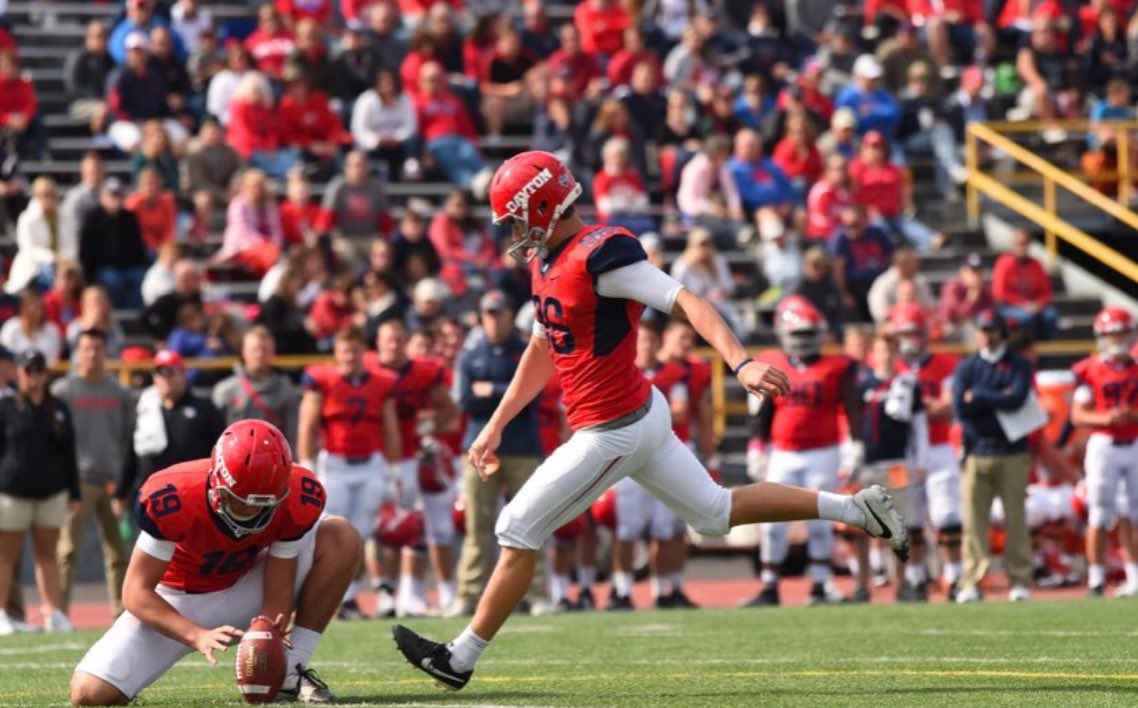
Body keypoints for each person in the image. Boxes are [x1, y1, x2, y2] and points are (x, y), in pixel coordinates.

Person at [392, 151, 909, 690]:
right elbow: (543, 347)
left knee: (517, 527)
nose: (514, 231)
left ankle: (459, 659)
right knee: (713, 512)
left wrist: (742, 361)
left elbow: (687, 301)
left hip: (614, 428)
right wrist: (497, 422)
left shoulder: (602, 257)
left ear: (541, 206)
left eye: (517, 217)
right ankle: (855, 509)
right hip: (638, 414)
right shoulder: (547, 261)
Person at [69, 420, 357, 705]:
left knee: (339, 536)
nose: (253, 514)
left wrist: (269, 643)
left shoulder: (297, 496)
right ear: (217, 481)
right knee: (88, 694)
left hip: (245, 584)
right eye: (241, 503)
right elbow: (135, 592)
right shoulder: (174, 494)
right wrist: (196, 635)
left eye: (263, 505)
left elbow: (279, 586)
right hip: (174, 601)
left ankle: (291, 672)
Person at [745, 296, 864, 606]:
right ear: (785, 334)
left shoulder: (837, 366)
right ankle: (770, 586)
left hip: (824, 451)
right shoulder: (775, 364)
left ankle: (821, 586)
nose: (804, 341)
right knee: (771, 523)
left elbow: (852, 408)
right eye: (798, 334)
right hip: (783, 453)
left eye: (809, 334)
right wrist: (757, 446)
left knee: (820, 521)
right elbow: (764, 412)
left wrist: (856, 444)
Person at [295, 326, 399, 622]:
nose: (350, 357)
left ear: (363, 355)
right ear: (337, 354)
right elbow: (307, 423)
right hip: (336, 465)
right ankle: (325, 596)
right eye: (345, 351)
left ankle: (349, 597)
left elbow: (389, 427)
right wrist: (307, 464)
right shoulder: (323, 380)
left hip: (371, 464)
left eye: (355, 351)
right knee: (332, 531)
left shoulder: (381, 382)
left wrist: (393, 468)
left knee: (362, 534)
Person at [453, 291, 544, 617]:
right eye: (488, 314)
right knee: (477, 525)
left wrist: (490, 389)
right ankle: (468, 594)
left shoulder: (526, 352)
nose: (493, 319)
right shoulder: (470, 355)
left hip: (521, 448)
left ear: (509, 315)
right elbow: (465, 400)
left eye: (499, 313)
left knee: (533, 522)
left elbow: (531, 396)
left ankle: (536, 594)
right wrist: (508, 392)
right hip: (481, 449)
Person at [369, 319, 460, 617]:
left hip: (413, 457)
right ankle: (386, 591)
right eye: (388, 340)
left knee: (432, 529)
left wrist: (428, 429)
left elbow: (450, 416)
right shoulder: (367, 371)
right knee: (383, 528)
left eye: (398, 339)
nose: (393, 346)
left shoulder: (423, 373)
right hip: (376, 459)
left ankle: (439, 593)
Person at [952, 309, 1035, 603]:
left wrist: (982, 397)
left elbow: (1018, 398)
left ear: (1001, 332)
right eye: (982, 329)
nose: (986, 335)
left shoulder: (1018, 364)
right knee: (974, 522)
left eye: (991, 330)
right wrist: (997, 401)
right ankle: (973, 579)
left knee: (1016, 519)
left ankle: (1020, 578)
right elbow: (962, 410)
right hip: (977, 450)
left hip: (1012, 451)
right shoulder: (967, 368)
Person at [51, 329, 133, 617]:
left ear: (106, 352)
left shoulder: (119, 393)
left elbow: (128, 440)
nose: (93, 354)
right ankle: (59, 613)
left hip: (112, 482)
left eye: (98, 348)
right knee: (67, 550)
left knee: (119, 553)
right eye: (87, 348)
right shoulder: (63, 391)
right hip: (79, 482)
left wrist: (124, 486)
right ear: (77, 351)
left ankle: (121, 613)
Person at [0, 350, 78, 635]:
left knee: (48, 555)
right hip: (12, 491)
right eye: (27, 370)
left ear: (46, 373)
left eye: (38, 370)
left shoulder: (57, 407)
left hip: (52, 491)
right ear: (18, 372)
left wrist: (75, 493)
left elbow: (69, 452)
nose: (33, 376)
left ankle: (53, 613)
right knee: (5, 556)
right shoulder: (6, 406)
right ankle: (1, 614)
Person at [891, 304, 965, 598]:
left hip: (938, 446)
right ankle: (915, 577)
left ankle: (955, 576)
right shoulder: (889, 365)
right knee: (908, 518)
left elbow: (948, 406)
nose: (909, 339)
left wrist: (915, 410)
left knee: (946, 515)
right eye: (904, 333)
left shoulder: (946, 364)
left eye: (914, 332)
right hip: (902, 451)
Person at [855, 332, 930, 601]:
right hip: (867, 462)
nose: (885, 356)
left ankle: (902, 583)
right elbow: (850, 422)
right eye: (881, 350)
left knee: (901, 526)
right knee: (860, 526)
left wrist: (921, 461)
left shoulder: (907, 384)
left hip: (898, 462)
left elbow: (919, 426)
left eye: (890, 351)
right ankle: (861, 584)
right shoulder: (861, 384)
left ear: (898, 354)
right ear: (872, 354)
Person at [1071, 308, 1138, 597]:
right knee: (1099, 511)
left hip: (1134, 442)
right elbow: (1078, 415)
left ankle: (1134, 575)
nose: (1117, 339)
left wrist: (1132, 416)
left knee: (1134, 513)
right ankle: (1096, 578)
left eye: (1121, 333)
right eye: (1112, 334)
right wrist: (1107, 418)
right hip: (1104, 444)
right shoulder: (1090, 369)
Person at [122, 350, 226, 499]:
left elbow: (219, 452)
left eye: (171, 371)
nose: (165, 378)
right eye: (160, 373)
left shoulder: (204, 409)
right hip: (150, 494)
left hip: (192, 493)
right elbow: (131, 453)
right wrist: (121, 492)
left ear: (183, 374)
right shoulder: (145, 408)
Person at [213, 325, 300, 452]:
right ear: (243, 351)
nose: (259, 355)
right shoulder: (224, 390)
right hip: (231, 457)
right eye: (255, 349)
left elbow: (292, 433)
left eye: (265, 350)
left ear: (273, 352)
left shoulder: (286, 390)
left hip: (271, 459)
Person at [829, 205, 896, 323]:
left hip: (880, 282)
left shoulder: (876, 232)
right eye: (848, 225)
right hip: (857, 287)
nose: (852, 229)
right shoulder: (841, 237)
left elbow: (892, 255)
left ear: (864, 220)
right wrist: (844, 294)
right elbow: (838, 267)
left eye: (855, 224)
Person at [351, 69, 419, 181]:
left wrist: (396, 138)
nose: (388, 88)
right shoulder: (366, 100)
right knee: (359, 146)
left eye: (391, 83)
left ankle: (409, 171)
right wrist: (376, 140)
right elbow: (358, 129)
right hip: (374, 145)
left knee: (414, 139)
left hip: (399, 144)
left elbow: (411, 126)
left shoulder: (405, 98)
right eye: (384, 84)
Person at [991, 228, 1058, 341]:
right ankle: (1023, 346)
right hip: (1009, 306)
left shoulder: (1036, 264)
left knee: (1051, 316)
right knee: (1026, 318)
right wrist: (1023, 304)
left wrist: (1038, 304)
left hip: (1033, 305)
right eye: (1018, 243)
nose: (1021, 246)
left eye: (1025, 243)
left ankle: (1044, 347)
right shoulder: (1004, 262)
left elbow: (1046, 291)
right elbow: (1000, 292)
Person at [8, 177, 72, 295]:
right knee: (47, 273)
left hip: (63, 264)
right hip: (34, 267)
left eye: (52, 194)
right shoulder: (27, 218)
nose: (49, 199)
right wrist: (53, 258)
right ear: (36, 197)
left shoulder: (64, 217)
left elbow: (71, 244)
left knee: (69, 277)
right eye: (44, 195)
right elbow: (28, 248)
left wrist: (64, 259)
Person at [219, 169, 284, 277]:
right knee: (270, 257)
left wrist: (274, 243)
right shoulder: (238, 204)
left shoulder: (268, 204)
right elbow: (243, 230)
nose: (256, 190)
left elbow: (275, 228)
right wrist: (264, 243)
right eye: (253, 186)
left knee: (273, 253)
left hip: (265, 247)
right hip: (241, 246)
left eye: (259, 186)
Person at [867, 247, 937, 324]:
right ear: (901, 265)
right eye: (912, 264)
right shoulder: (883, 284)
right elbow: (880, 313)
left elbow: (930, 306)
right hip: (892, 328)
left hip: (921, 326)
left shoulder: (920, 280)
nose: (916, 267)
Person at [0, 288, 63, 364]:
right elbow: (5, 360)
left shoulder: (52, 330)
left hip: (45, 374)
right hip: (14, 372)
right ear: (24, 309)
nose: (39, 312)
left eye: (41, 307)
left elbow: (54, 362)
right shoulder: (11, 328)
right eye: (35, 307)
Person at [60, 153, 105, 253]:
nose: (96, 174)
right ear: (83, 172)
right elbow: (74, 232)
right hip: (83, 251)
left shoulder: (109, 195)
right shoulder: (75, 198)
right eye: (92, 171)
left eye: (99, 170)